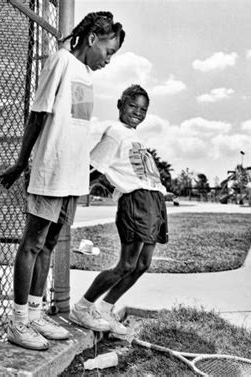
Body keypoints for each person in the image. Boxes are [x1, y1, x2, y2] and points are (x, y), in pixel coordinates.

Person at [0, 11, 125, 351]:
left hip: (72, 175)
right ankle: (19, 321)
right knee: (33, 243)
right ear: (92, 39)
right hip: (50, 170)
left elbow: (77, 125)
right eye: (108, 51)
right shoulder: (61, 61)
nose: (108, 60)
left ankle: (37, 314)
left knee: (50, 245)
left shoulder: (85, 74)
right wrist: (21, 163)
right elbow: (38, 114)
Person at [69, 85, 168, 336]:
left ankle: (105, 308)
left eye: (143, 109)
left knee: (143, 264)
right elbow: (95, 168)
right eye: (132, 106)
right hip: (136, 203)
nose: (137, 112)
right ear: (119, 104)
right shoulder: (115, 132)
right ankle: (83, 307)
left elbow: (131, 171)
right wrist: (72, 193)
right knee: (126, 264)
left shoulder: (133, 136)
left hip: (153, 202)